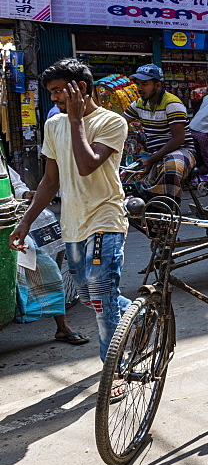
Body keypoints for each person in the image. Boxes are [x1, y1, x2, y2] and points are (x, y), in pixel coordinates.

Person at [9, 58, 131, 363]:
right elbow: (51, 181)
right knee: (88, 296)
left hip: (107, 217)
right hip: (73, 222)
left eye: (58, 91)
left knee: (101, 297)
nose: (53, 97)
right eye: (50, 92)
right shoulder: (54, 125)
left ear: (81, 89)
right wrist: (25, 223)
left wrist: (77, 121)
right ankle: (137, 315)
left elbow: (87, 165)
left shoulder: (111, 122)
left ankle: (113, 367)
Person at [9, 167, 84, 345]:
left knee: (48, 268)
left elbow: (16, 185)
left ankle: (62, 326)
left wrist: (26, 193)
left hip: (8, 225)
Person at [124, 64, 197, 202]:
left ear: (157, 85)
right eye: (138, 84)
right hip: (156, 153)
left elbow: (178, 139)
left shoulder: (172, 104)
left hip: (182, 150)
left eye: (144, 84)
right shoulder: (140, 103)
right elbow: (120, 121)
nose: (139, 88)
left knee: (172, 165)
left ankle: (166, 207)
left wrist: (151, 160)